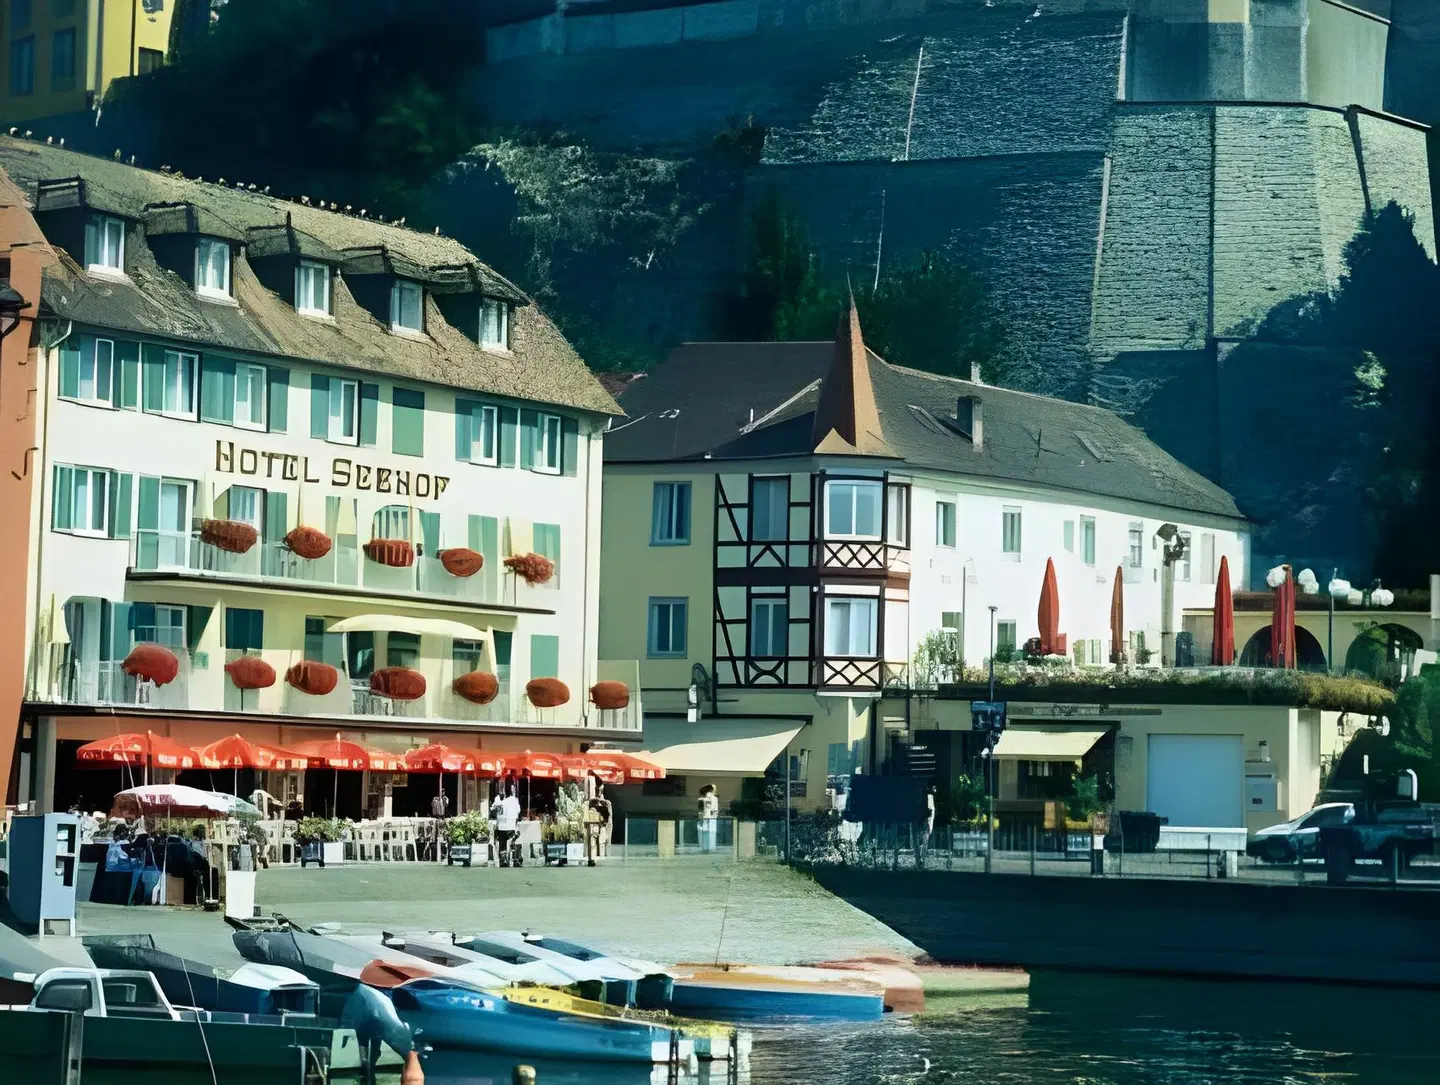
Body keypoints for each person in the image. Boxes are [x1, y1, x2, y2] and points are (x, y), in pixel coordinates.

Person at [492, 786, 521, 866]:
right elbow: (518, 812)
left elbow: (494, 811)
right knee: (510, 841)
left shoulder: (497, 799)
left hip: (501, 826)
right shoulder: (514, 800)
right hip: (510, 826)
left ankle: (503, 859)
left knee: (502, 842)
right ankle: (513, 858)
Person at [697, 784, 719, 853]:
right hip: (706, 818)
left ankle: (707, 848)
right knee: (705, 834)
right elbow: (701, 809)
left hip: (710, 818)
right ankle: (706, 848)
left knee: (709, 834)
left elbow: (713, 808)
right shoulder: (707, 798)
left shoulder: (713, 798)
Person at [430, 790, 450, 861]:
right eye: (441, 791)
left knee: (443, 834)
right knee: (435, 835)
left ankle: (443, 853)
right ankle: (435, 854)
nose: (442, 793)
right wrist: (437, 800)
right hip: (436, 817)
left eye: (443, 792)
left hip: (443, 817)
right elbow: (433, 805)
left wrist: (444, 800)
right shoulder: (435, 799)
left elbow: (447, 804)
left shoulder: (445, 799)